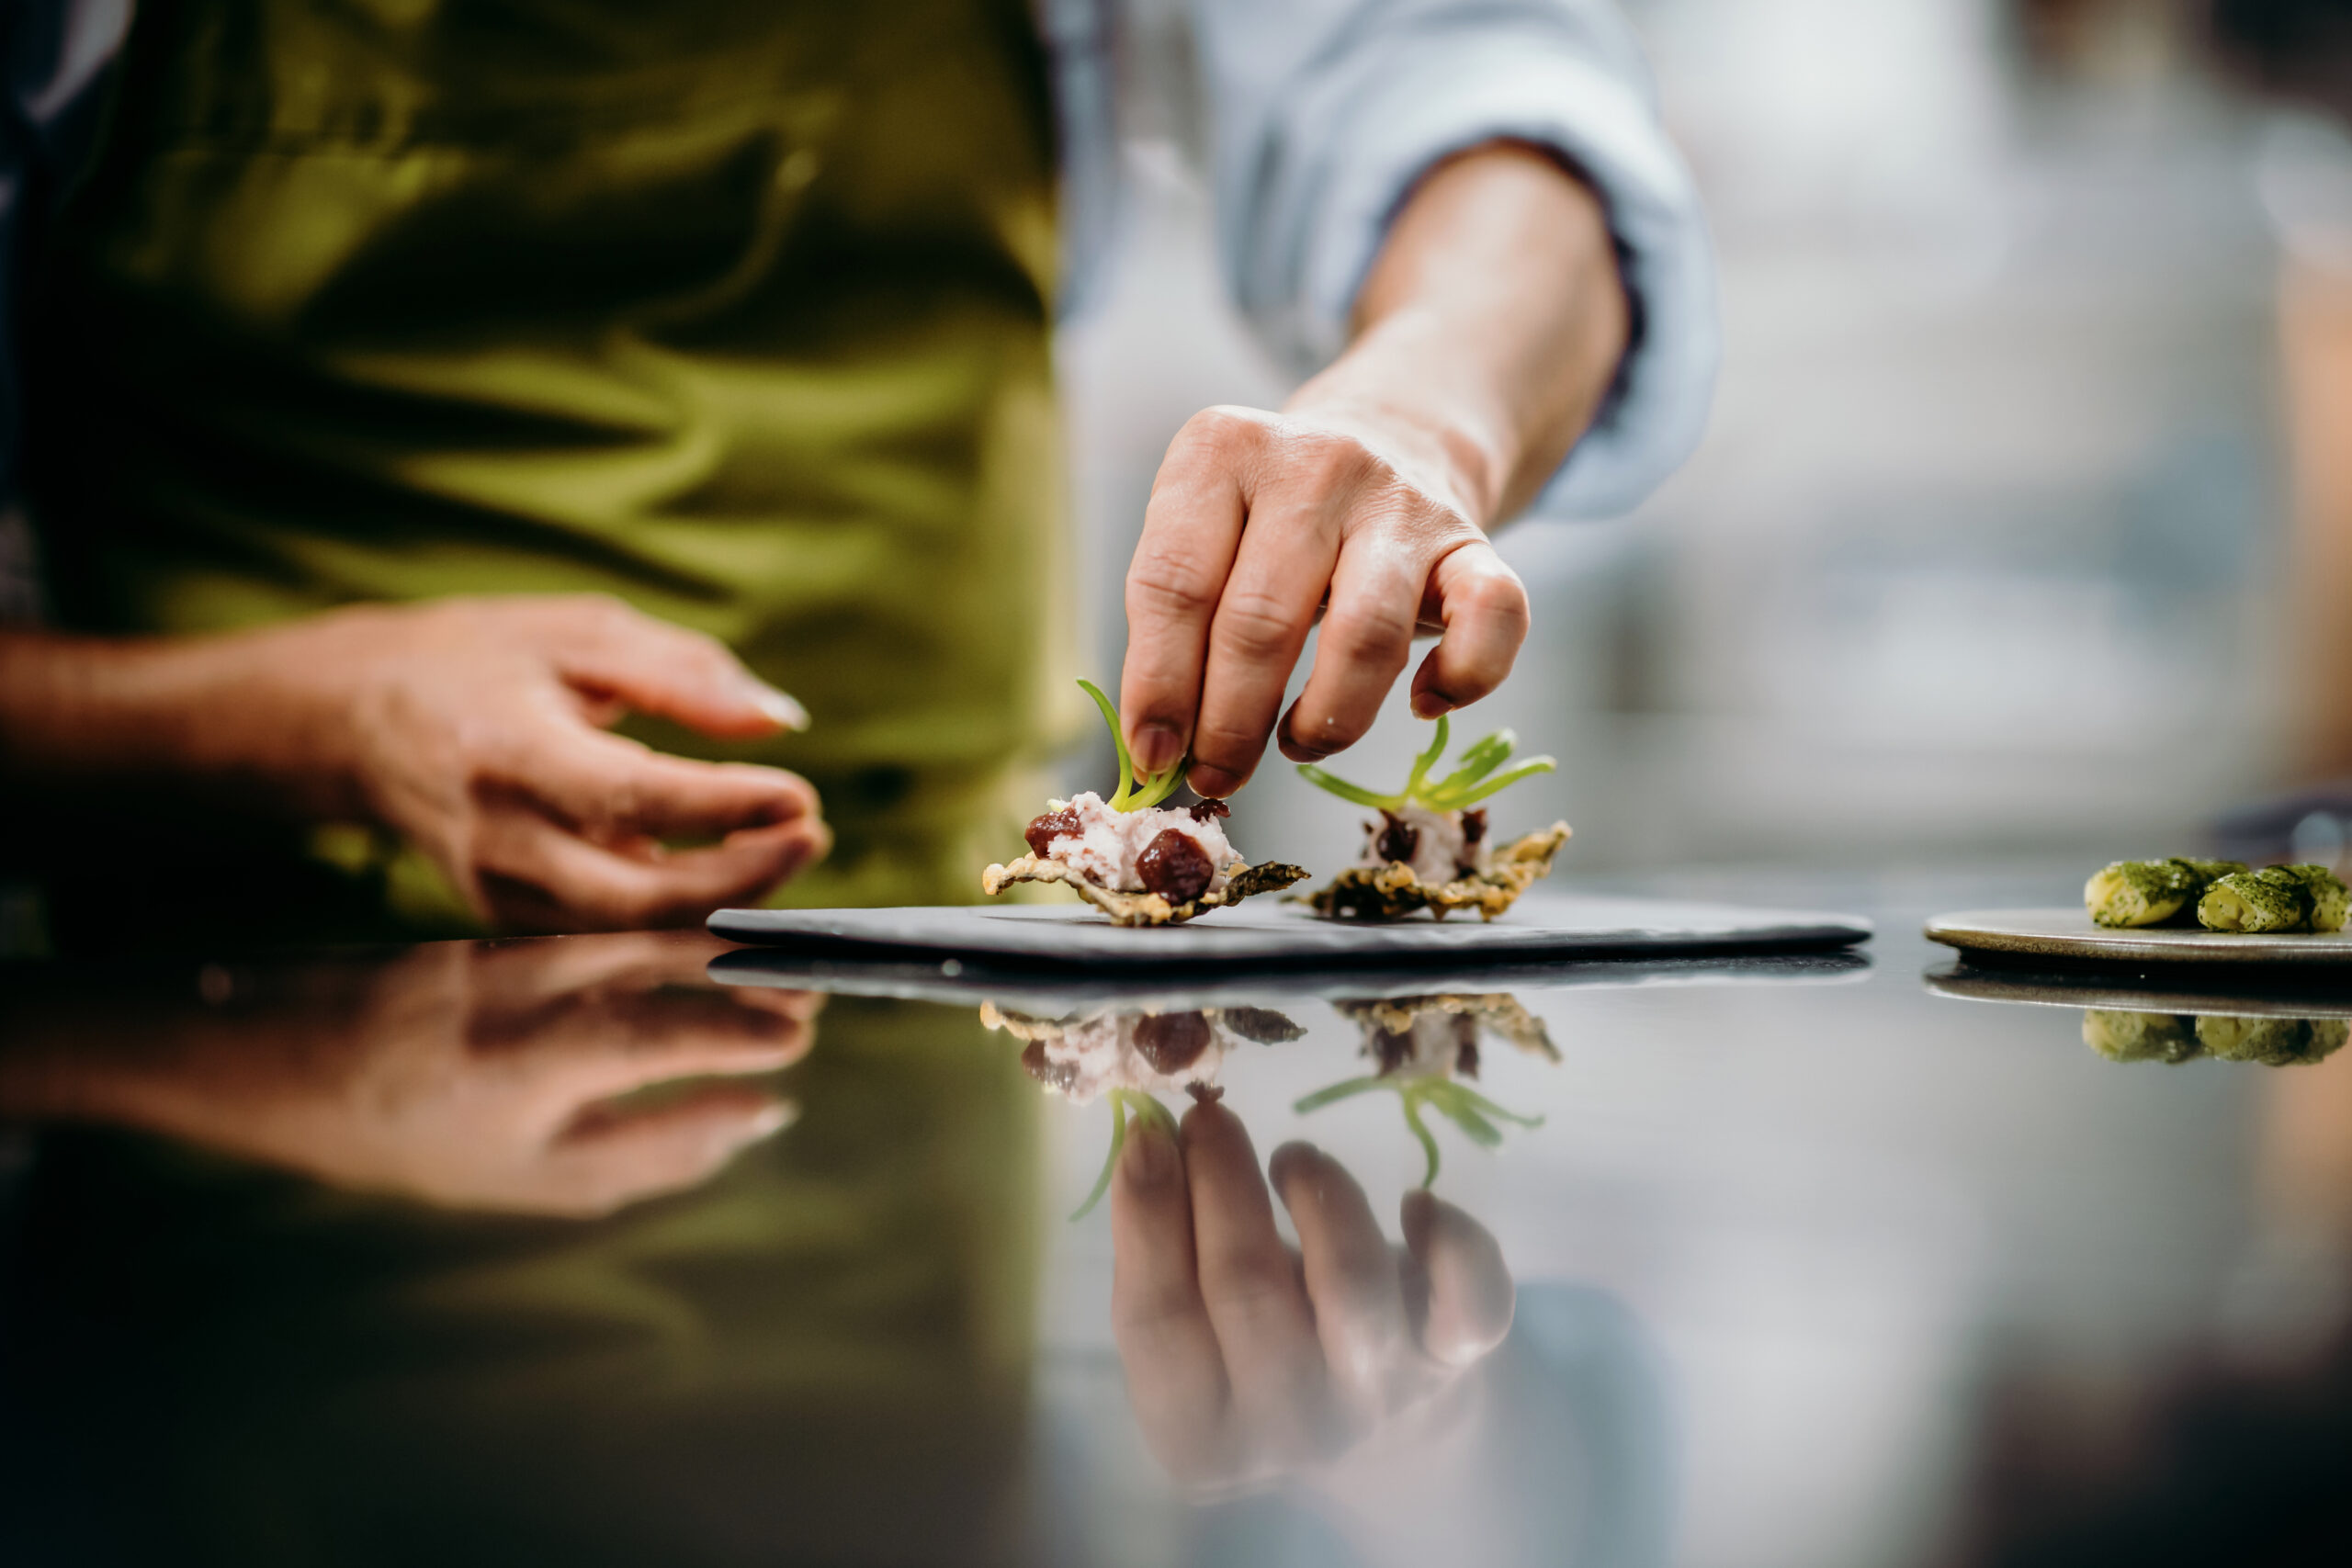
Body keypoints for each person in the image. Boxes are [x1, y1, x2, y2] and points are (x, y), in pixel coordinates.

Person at [0, 0, 1716, 948]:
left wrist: (1426, 405)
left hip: (935, 990)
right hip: (222, 1017)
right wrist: (300, 727)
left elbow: (1470, 79)